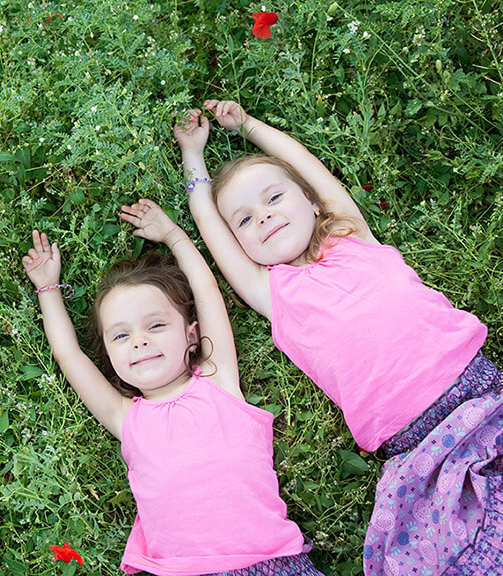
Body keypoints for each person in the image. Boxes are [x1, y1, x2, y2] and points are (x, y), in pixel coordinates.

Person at [173, 99, 503, 575]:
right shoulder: (271, 291)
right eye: (244, 220)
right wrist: (194, 156)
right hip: (419, 448)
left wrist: (247, 125)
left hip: (487, 395)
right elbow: (208, 224)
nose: (264, 217)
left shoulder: (351, 236)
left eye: (273, 197)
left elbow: (307, 165)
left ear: (310, 199)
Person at [22, 200, 323, 576]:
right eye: (120, 335)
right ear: (108, 354)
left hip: (270, 563)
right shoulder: (124, 417)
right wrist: (48, 289)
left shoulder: (219, 380)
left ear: (192, 335)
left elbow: (206, 290)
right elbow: (69, 357)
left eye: (156, 325)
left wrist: (172, 236)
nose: (139, 341)